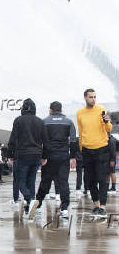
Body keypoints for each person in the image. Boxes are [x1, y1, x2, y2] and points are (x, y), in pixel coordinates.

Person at [34, 101, 77, 219]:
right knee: (63, 182)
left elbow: (40, 141)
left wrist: (43, 157)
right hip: (63, 156)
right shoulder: (69, 122)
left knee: (45, 182)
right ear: (61, 110)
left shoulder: (44, 122)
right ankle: (64, 209)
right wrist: (73, 156)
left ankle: (38, 206)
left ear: (51, 110)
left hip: (49, 156)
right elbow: (73, 140)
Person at [77, 89, 113, 218]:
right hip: (87, 149)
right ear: (85, 98)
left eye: (94, 97)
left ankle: (103, 207)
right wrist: (81, 148)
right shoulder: (80, 113)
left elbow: (109, 128)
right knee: (90, 180)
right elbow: (80, 132)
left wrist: (106, 121)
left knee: (102, 178)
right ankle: (96, 205)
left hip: (101, 148)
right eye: (91, 97)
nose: (93, 99)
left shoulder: (101, 109)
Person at [8, 98, 45, 219]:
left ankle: (30, 199)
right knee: (31, 181)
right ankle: (30, 207)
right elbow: (45, 140)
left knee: (20, 181)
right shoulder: (40, 122)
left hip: (22, 154)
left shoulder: (18, 121)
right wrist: (44, 156)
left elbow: (13, 139)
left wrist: (10, 155)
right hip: (36, 155)